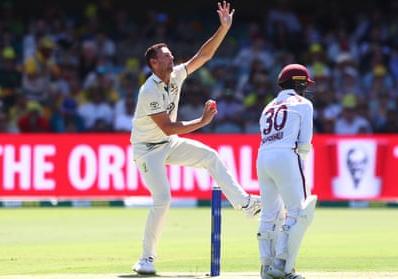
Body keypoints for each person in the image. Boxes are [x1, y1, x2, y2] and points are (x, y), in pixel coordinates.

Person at [130, 1, 261, 275]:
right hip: (147, 150)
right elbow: (167, 128)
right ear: (154, 63)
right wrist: (201, 122)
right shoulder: (149, 92)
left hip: (167, 144)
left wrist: (223, 29)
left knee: (210, 157)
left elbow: (204, 56)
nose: (172, 58)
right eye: (166, 56)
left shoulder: (176, 75)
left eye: (171, 54)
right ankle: (146, 259)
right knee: (163, 199)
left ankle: (245, 204)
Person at [256, 64, 318, 279]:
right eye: (304, 85)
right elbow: (304, 145)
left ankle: (266, 266)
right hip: (287, 155)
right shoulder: (304, 104)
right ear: (299, 83)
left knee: (269, 214)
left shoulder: (268, 107)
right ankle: (283, 265)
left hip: (262, 157)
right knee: (298, 211)